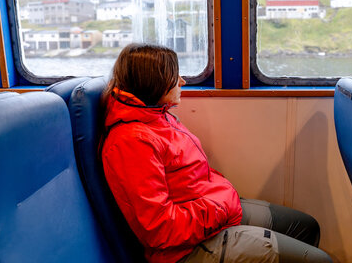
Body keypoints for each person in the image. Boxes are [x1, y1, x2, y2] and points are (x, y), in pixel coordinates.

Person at [101, 43, 333, 263]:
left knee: (307, 226)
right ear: (152, 82)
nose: (181, 81)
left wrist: (220, 198)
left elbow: (193, 176)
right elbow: (160, 229)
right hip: (183, 250)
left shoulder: (159, 117)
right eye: (174, 77)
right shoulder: (132, 142)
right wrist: (220, 206)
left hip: (208, 210)